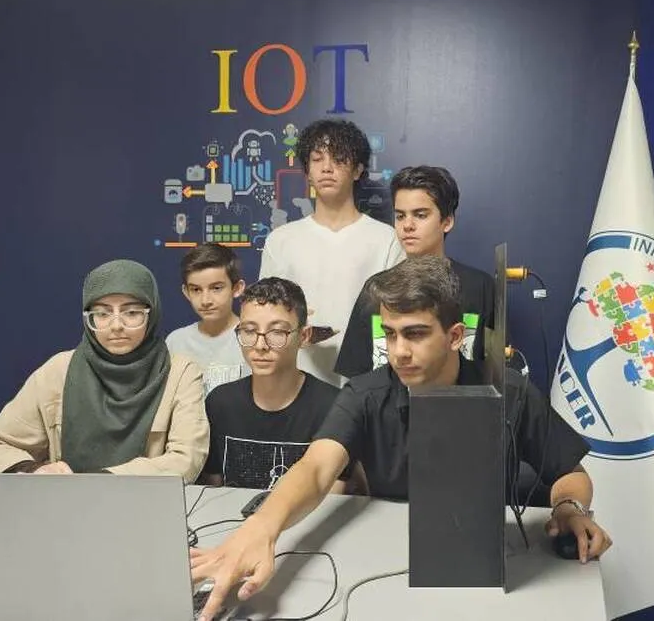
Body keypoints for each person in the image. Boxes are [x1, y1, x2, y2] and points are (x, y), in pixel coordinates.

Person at [190, 257, 610, 619]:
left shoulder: (510, 392)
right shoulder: (366, 394)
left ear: (455, 336)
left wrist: (569, 508)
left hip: (478, 569)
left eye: (415, 333)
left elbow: (570, 473)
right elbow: (316, 468)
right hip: (382, 568)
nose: (399, 351)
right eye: (390, 334)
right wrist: (263, 526)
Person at [0, 259, 209, 482]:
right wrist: (33, 469)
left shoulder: (180, 372)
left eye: (132, 312)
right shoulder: (59, 370)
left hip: (143, 506)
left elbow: (185, 459)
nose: (116, 325)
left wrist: (96, 482)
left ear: (152, 313)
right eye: (102, 313)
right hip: (63, 508)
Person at [258, 119, 404, 386]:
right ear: (307, 171)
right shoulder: (281, 240)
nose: (326, 168)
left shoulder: (387, 240)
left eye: (338, 159)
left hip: (367, 385)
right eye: (317, 159)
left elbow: (399, 315)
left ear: (358, 169)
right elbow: (264, 314)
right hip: (295, 384)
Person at [335, 165, 495, 379]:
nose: (407, 225)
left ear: (447, 221)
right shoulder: (377, 289)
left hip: (461, 399)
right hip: (390, 400)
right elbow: (355, 374)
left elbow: (496, 372)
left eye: (420, 215)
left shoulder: (479, 287)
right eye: (400, 216)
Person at [200, 278, 349, 492]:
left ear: (304, 336)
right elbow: (211, 487)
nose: (260, 345)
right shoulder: (221, 403)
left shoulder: (333, 407)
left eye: (277, 332)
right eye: (249, 331)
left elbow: (339, 487)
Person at [166, 243, 249, 394]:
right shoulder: (175, 342)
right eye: (196, 290)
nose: (205, 300)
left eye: (216, 288)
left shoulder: (253, 339)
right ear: (186, 292)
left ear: (237, 288)